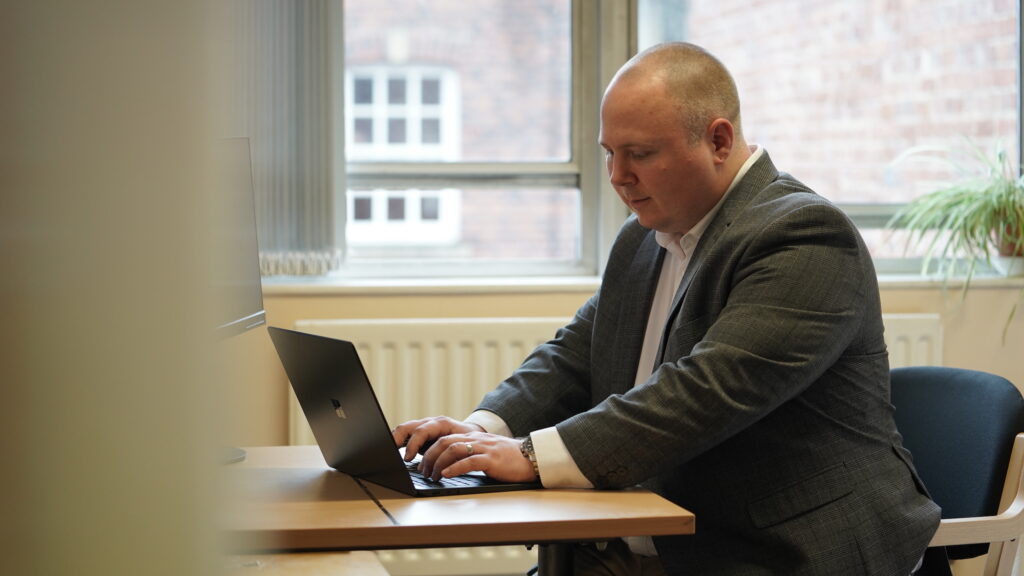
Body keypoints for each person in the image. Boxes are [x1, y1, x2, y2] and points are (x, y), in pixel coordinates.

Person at [393, 42, 941, 575]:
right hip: (641, 545)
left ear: (718, 141)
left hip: (778, 552)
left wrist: (531, 456)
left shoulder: (803, 236)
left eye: (641, 154)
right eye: (609, 153)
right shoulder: (643, 238)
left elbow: (703, 391)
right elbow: (576, 355)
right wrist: (478, 430)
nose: (617, 176)